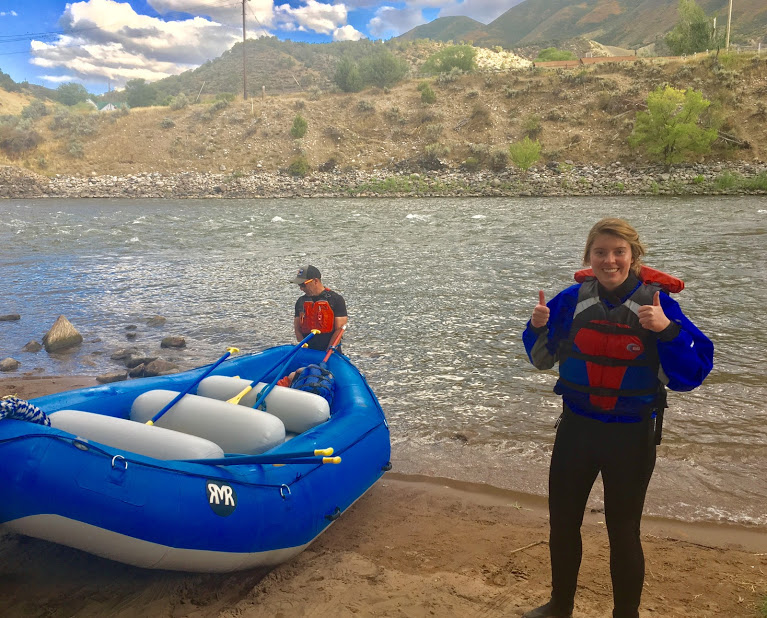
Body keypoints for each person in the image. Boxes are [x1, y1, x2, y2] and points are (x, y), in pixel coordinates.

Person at [521, 218, 714, 618]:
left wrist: (667, 331)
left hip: (631, 435)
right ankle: (560, 606)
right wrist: (536, 327)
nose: (610, 261)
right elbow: (542, 359)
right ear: (588, 258)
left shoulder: (659, 305)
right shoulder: (570, 300)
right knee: (562, 524)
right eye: (600, 253)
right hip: (577, 429)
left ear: (633, 256)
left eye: (618, 252)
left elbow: (692, 374)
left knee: (623, 532)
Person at [292, 264, 348, 352]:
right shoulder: (300, 301)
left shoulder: (336, 300)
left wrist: (329, 351)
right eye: (299, 285)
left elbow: (339, 329)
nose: (301, 288)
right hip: (308, 350)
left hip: (329, 352)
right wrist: (304, 348)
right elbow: (297, 329)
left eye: (303, 284)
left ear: (315, 281)